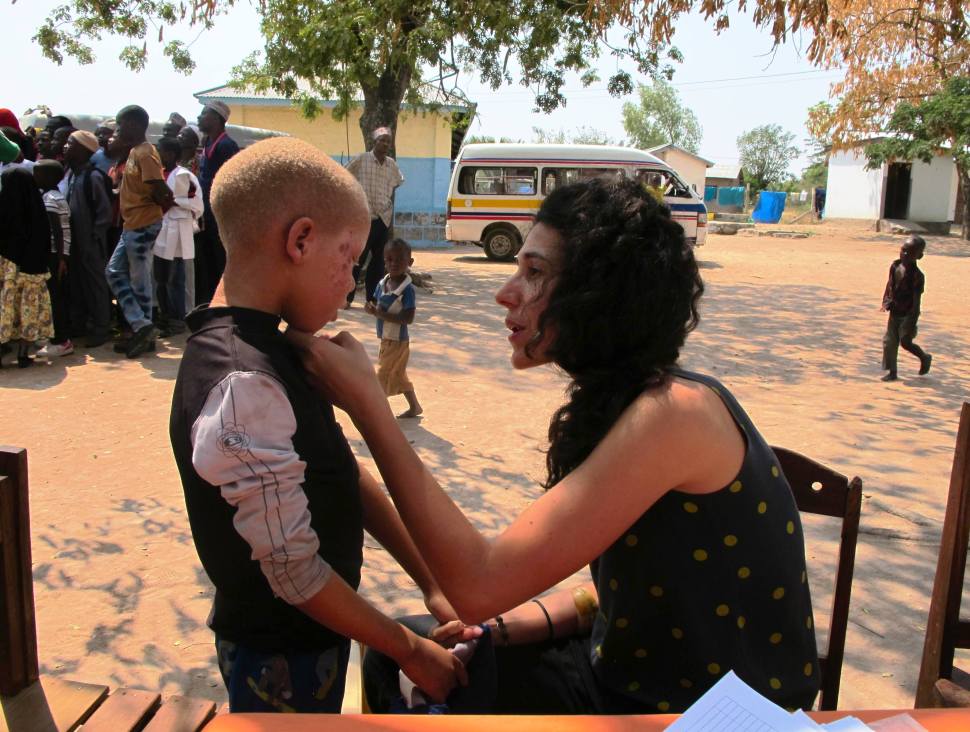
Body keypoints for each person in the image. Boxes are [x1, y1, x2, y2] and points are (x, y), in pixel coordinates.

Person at [291, 177, 821, 714]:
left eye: (535, 273)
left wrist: (369, 405)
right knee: (404, 651)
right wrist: (505, 628)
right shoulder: (629, 400)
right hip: (627, 671)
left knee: (424, 676)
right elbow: (627, 584)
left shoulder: (674, 415)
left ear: (602, 294)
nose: (506, 292)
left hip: (715, 712)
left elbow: (478, 582)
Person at [168, 137, 466, 714]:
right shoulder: (242, 382)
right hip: (279, 654)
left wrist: (432, 581)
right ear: (301, 240)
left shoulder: (279, 345)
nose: (350, 283)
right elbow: (295, 571)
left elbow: (337, 469)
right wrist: (409, 649)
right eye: (349, 260)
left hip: (317, 635)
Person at [106, 104, 172, 358]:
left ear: (133, 125)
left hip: (142, 224)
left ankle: (143, 329)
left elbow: (161, 190)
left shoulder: (145, 153)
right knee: (114, 271)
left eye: (120, 126)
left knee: (140, 280)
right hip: (132, 223)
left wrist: (153, 212)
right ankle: (142, 325)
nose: (118, 130)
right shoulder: (135, 152)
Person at [63, 130, 113, 348]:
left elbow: (104, 213)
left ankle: (102, 327)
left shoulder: (93, 176)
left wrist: (95, 237)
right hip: (75, 240)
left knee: (95, 283)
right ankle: (82, 323)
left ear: (84, 149)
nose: (65, 147)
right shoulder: (74, 174)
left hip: (91, 241)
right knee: (78, 282)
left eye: (70, 143)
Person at [0, 165, 53, 367]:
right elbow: (44, 242)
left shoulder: (4, 209)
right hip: (32, 270)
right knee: (28, 310)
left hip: (7, 270)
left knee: (6, 309)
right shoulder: (37, 209)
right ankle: (23, 353)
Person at [344, 127, 403, 307]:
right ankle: (347, 298)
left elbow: (397, 183)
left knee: (378, 262)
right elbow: (345, 174)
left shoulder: (391, 164)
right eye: (382, 140)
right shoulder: (362, 159)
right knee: (357, 260)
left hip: (383, 218)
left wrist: (387, 203)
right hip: (364, 218)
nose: (385, 144)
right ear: (374, 142)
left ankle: (372, 299)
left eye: (388, 141)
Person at [364, 238, 422, 418]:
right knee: (398, 374)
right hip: (385, 337)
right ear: (384, 261)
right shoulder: (383, 282)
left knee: (383, 373)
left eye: (399, 260)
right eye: (389, 259)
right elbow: (374, 300)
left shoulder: (407, 289)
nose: (394, 264)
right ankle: (415, 407)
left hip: (398, 340)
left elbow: (408, 318)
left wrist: (380, 315)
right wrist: (370, 307)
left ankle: (377, 413)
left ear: (409, 262)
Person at [153, 137, 203, 336]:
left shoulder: (183, 175)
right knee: (161, 277)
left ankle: (178, 318)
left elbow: (195, 203)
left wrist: (173, 201)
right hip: (162, 230)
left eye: (161, 151)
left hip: (177, 231)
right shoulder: (158, 174)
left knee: (177, 278)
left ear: (171, 154)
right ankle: (164, 315)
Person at [195, 100, 239, 306]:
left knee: (220, 258)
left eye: (204, 114)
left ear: (217, 119)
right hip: (204, 212)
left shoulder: (226, 146)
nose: (199, 118)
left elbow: (233, 180)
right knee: (206, 259)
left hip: (218, 214)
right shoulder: (207, 143)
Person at [33, 160, 74, 359]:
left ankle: (62, 340)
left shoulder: (49, 199)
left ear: (48, 177)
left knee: (54, 298)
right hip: (58, 254)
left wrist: (60, 258)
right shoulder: (57, 196)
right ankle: (54, 336)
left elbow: (55, 230)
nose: (34, 177)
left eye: (37, 174)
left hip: (53, 254)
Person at [881, 235, 932, 381]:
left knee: (905, 342)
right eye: (903, 250)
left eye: (910, 253)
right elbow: (890, 284)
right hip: (895, 310)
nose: (904, 254)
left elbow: (916, 300)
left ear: (919, 256)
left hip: (908, 313)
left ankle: (924, 357)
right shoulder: (895, 266)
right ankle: (892, 371)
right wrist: (887, 301)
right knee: (889, 341)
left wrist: (912, 319)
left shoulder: (917, 276)